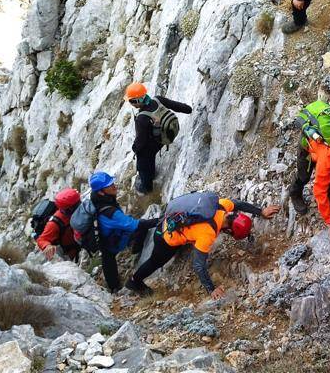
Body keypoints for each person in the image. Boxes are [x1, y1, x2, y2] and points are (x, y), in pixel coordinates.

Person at [126, 193, 278, 298]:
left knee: (172, 230)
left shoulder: (222, 206)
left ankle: (146, 227)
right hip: (166, 239)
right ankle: (134, 281)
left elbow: (238, 204)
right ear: (230, 229)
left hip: (168, 219)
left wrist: (260, 211)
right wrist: (211, 289)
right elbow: (198, 265)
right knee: (155, 261)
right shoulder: (207, 234)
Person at [88, 171, 159, 293]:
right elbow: (135, 226)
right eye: (109, 185)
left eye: (112, 183)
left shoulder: (98, 201)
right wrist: (160, 220)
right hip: (113, 243)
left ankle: (113, 286)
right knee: (140, 226)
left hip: (105, 240)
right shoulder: (110, 212)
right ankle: (115, 288)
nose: (114, 186)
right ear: (101, 191)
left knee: (107, 259)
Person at [125, 82, 193, 194]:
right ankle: (149, 173)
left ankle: (146, 186)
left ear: (136, 101)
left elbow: (141, 141)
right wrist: (188, 109)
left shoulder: (141, 118)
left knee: (143, 158)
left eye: (131, 101)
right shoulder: (158, 100)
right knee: (147, 153)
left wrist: (135, 149)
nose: (130, 103)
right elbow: (176, 106)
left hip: (156, 142)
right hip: (167, 134)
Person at [35, 188, 82, 262]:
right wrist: (47, 246)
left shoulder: (78, 211)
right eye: (77, 206)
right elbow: (42, 239)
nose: (80, 207)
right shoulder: (54, 223)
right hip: (71, 254)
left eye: (79, 203)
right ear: (69, 209)